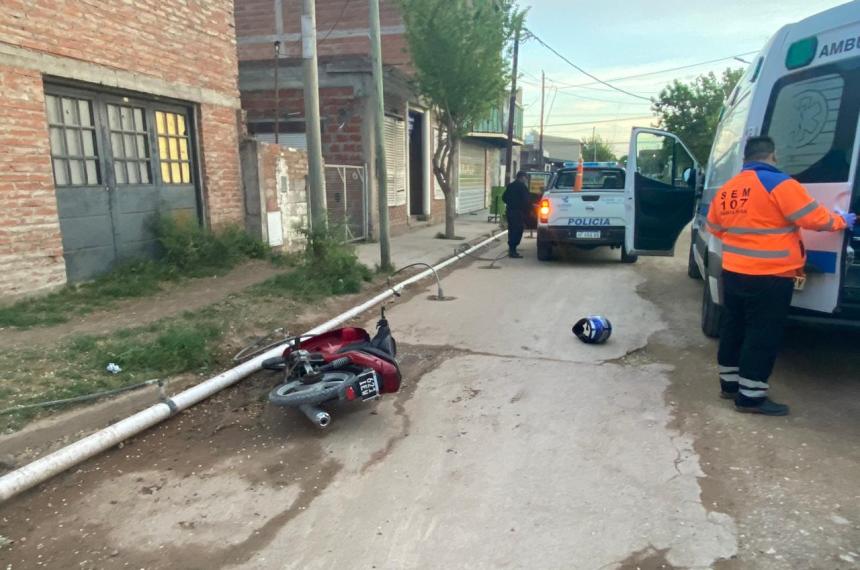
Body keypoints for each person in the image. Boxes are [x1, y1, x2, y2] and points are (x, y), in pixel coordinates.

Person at [706, 136, 856, 416]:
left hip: (735, 272)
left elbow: (715, 227)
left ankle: (729, 386)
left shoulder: (728, 189)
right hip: (771, 276)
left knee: (734, 327)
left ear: (746, 159)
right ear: (772, 156)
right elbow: (814, 218)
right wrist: (841, 221)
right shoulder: (780, 184)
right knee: (761, 334)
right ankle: (750, 398)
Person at [503, 171, 531, 258]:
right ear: (522, 177)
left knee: (511, 230)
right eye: (526, 178)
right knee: (518, 231)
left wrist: (510, 203)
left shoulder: (510, 185)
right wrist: (528, 212)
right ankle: (513, 251)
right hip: (518, 212)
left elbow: (504, 197)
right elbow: (526, 201)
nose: (526, 180)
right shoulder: (522, 187)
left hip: (510, 211)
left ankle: (511, 249)